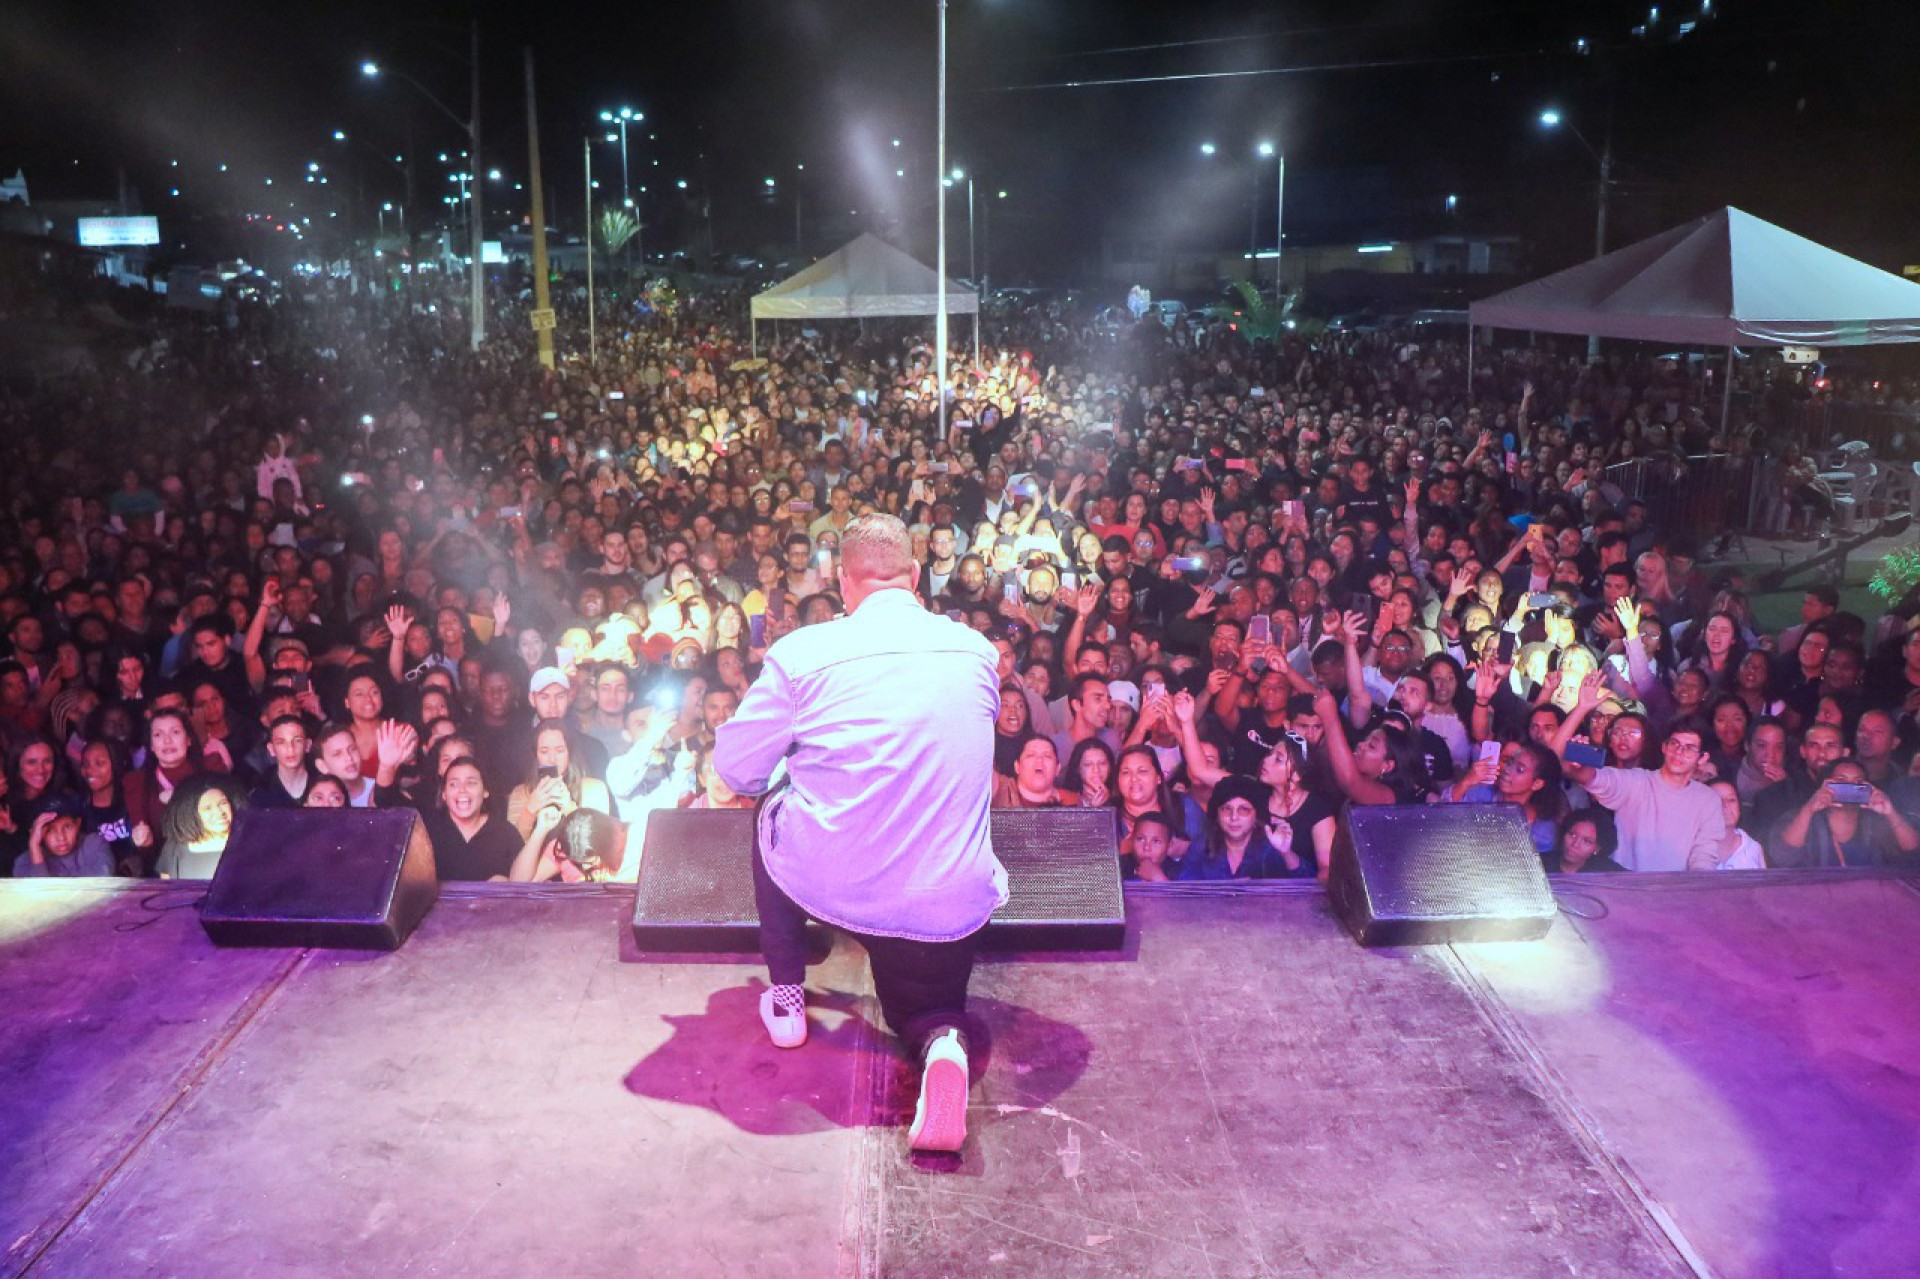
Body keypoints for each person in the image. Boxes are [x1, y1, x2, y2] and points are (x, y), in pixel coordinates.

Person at [715, 513, 1006, 1155]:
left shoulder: (802, 655)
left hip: (840, 878)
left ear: (843, 583)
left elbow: (736, 770)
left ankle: (788, 999)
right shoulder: (978, 651)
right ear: (917, 575)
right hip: (946, 895)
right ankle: (944, 1048)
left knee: (769, 807)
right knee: (927, 1013)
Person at [1553, 676, 1724, 871]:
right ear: (1664, 747)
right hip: (1624, 890)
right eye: (1675, 744)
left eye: (1689, 748)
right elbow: (1587, 775)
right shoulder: (1636, 781)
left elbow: (1704, 855)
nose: (1679, 752)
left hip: (1675, 895)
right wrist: (1582, 710)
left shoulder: (1708, 800)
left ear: (1702, 758)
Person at [423, 756, 523, 882]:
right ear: (444, 794)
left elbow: (523, 884)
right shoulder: (428, 833)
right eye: (453, 784)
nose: (462, 790)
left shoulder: (505, 833)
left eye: (471, 783)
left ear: (485, 791)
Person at [155, 775, 248, 880]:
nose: (219, 812)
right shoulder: (174, 847)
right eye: (207, 808)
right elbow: (167, 891)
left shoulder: (248, 841)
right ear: (190, 814)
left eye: (223, 803)